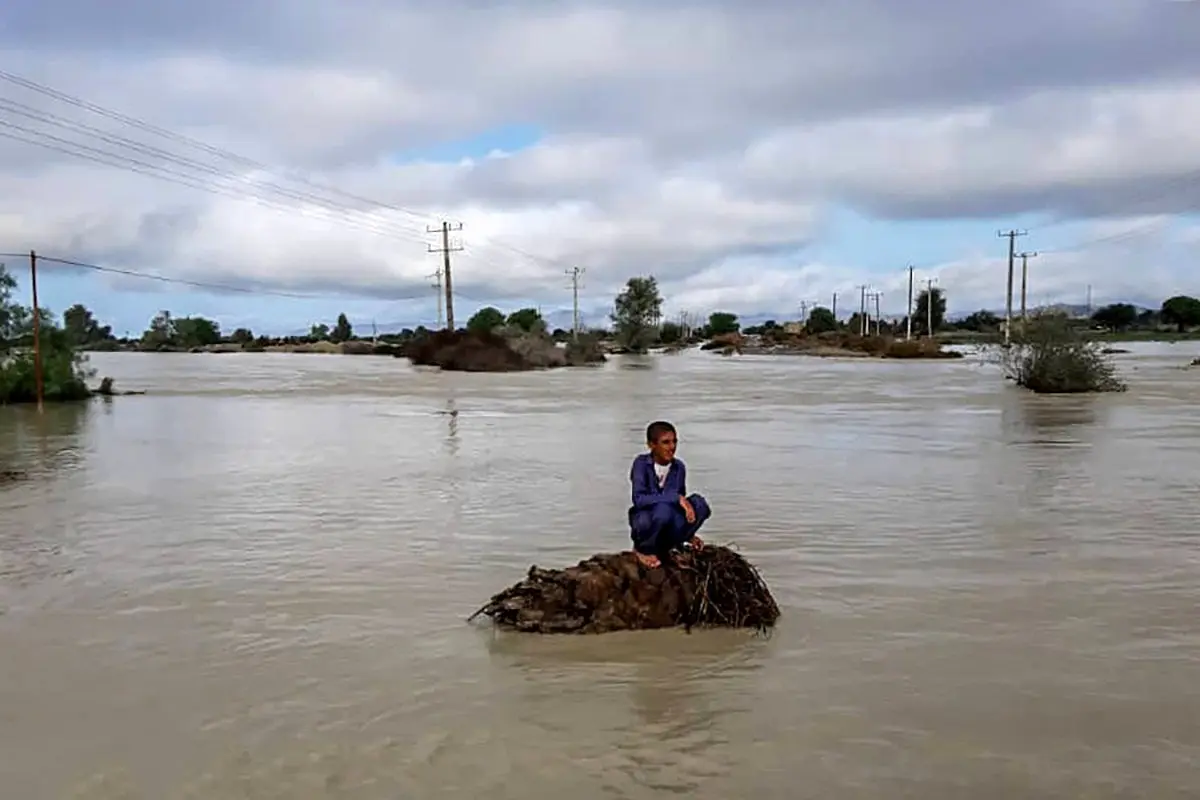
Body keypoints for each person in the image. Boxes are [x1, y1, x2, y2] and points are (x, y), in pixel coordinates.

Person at [627, 420, 712, 568]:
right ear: (651, 445)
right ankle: (643, 549)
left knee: (699, 504)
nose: (672, 447)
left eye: (674, 442)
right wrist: (675, 498)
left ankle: (675, 543)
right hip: (646, 519)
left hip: (668, 519)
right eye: (666, 442)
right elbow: (639, 499)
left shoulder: (679, 467)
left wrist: (689, 534)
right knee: (663, 510)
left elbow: (681, 505)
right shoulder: (641, 464)